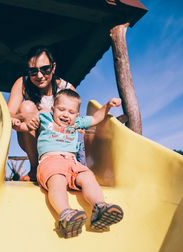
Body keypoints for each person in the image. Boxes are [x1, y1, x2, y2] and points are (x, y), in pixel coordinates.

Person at [12, 89, 124, 238]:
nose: (66, 114)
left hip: (72, 163)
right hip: (50, 162)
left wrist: (108, 106)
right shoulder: (45, 117)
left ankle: (100, 207)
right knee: (57, 180)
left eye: (71, 112)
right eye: (61, 109)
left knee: (88, 176)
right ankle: (65, 214)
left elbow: (96, 119)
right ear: (53, 110)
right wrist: (16, 124)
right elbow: (26, 127)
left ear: (77, 115)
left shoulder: (77, 123)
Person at [7, 46, 77, 181]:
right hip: (32, 139)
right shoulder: (23, 83)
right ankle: (35, 168)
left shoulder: (66, 88)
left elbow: (76, 121)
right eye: (33, 71)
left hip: (60, 142)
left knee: (45, 112)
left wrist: (44, 115)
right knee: (26, 106)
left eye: (45, 69)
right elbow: (7, 114)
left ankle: (64, 166)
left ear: (53, 67)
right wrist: (23, 117)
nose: (40, 76)